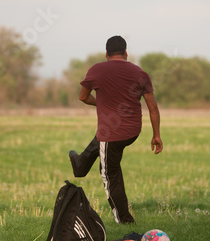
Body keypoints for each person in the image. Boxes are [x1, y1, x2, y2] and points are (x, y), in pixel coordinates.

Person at [69, 35, 163, 224]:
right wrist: (156, 135)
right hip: (133, 131)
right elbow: (153, 108)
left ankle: (123, 218)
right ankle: (80, 163)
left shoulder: (96, 70)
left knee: (109, 173)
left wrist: (100, 104)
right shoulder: (140, 73)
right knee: (104, 142)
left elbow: (82, 97)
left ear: (106, 54)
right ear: (126, 53)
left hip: (111, 134)